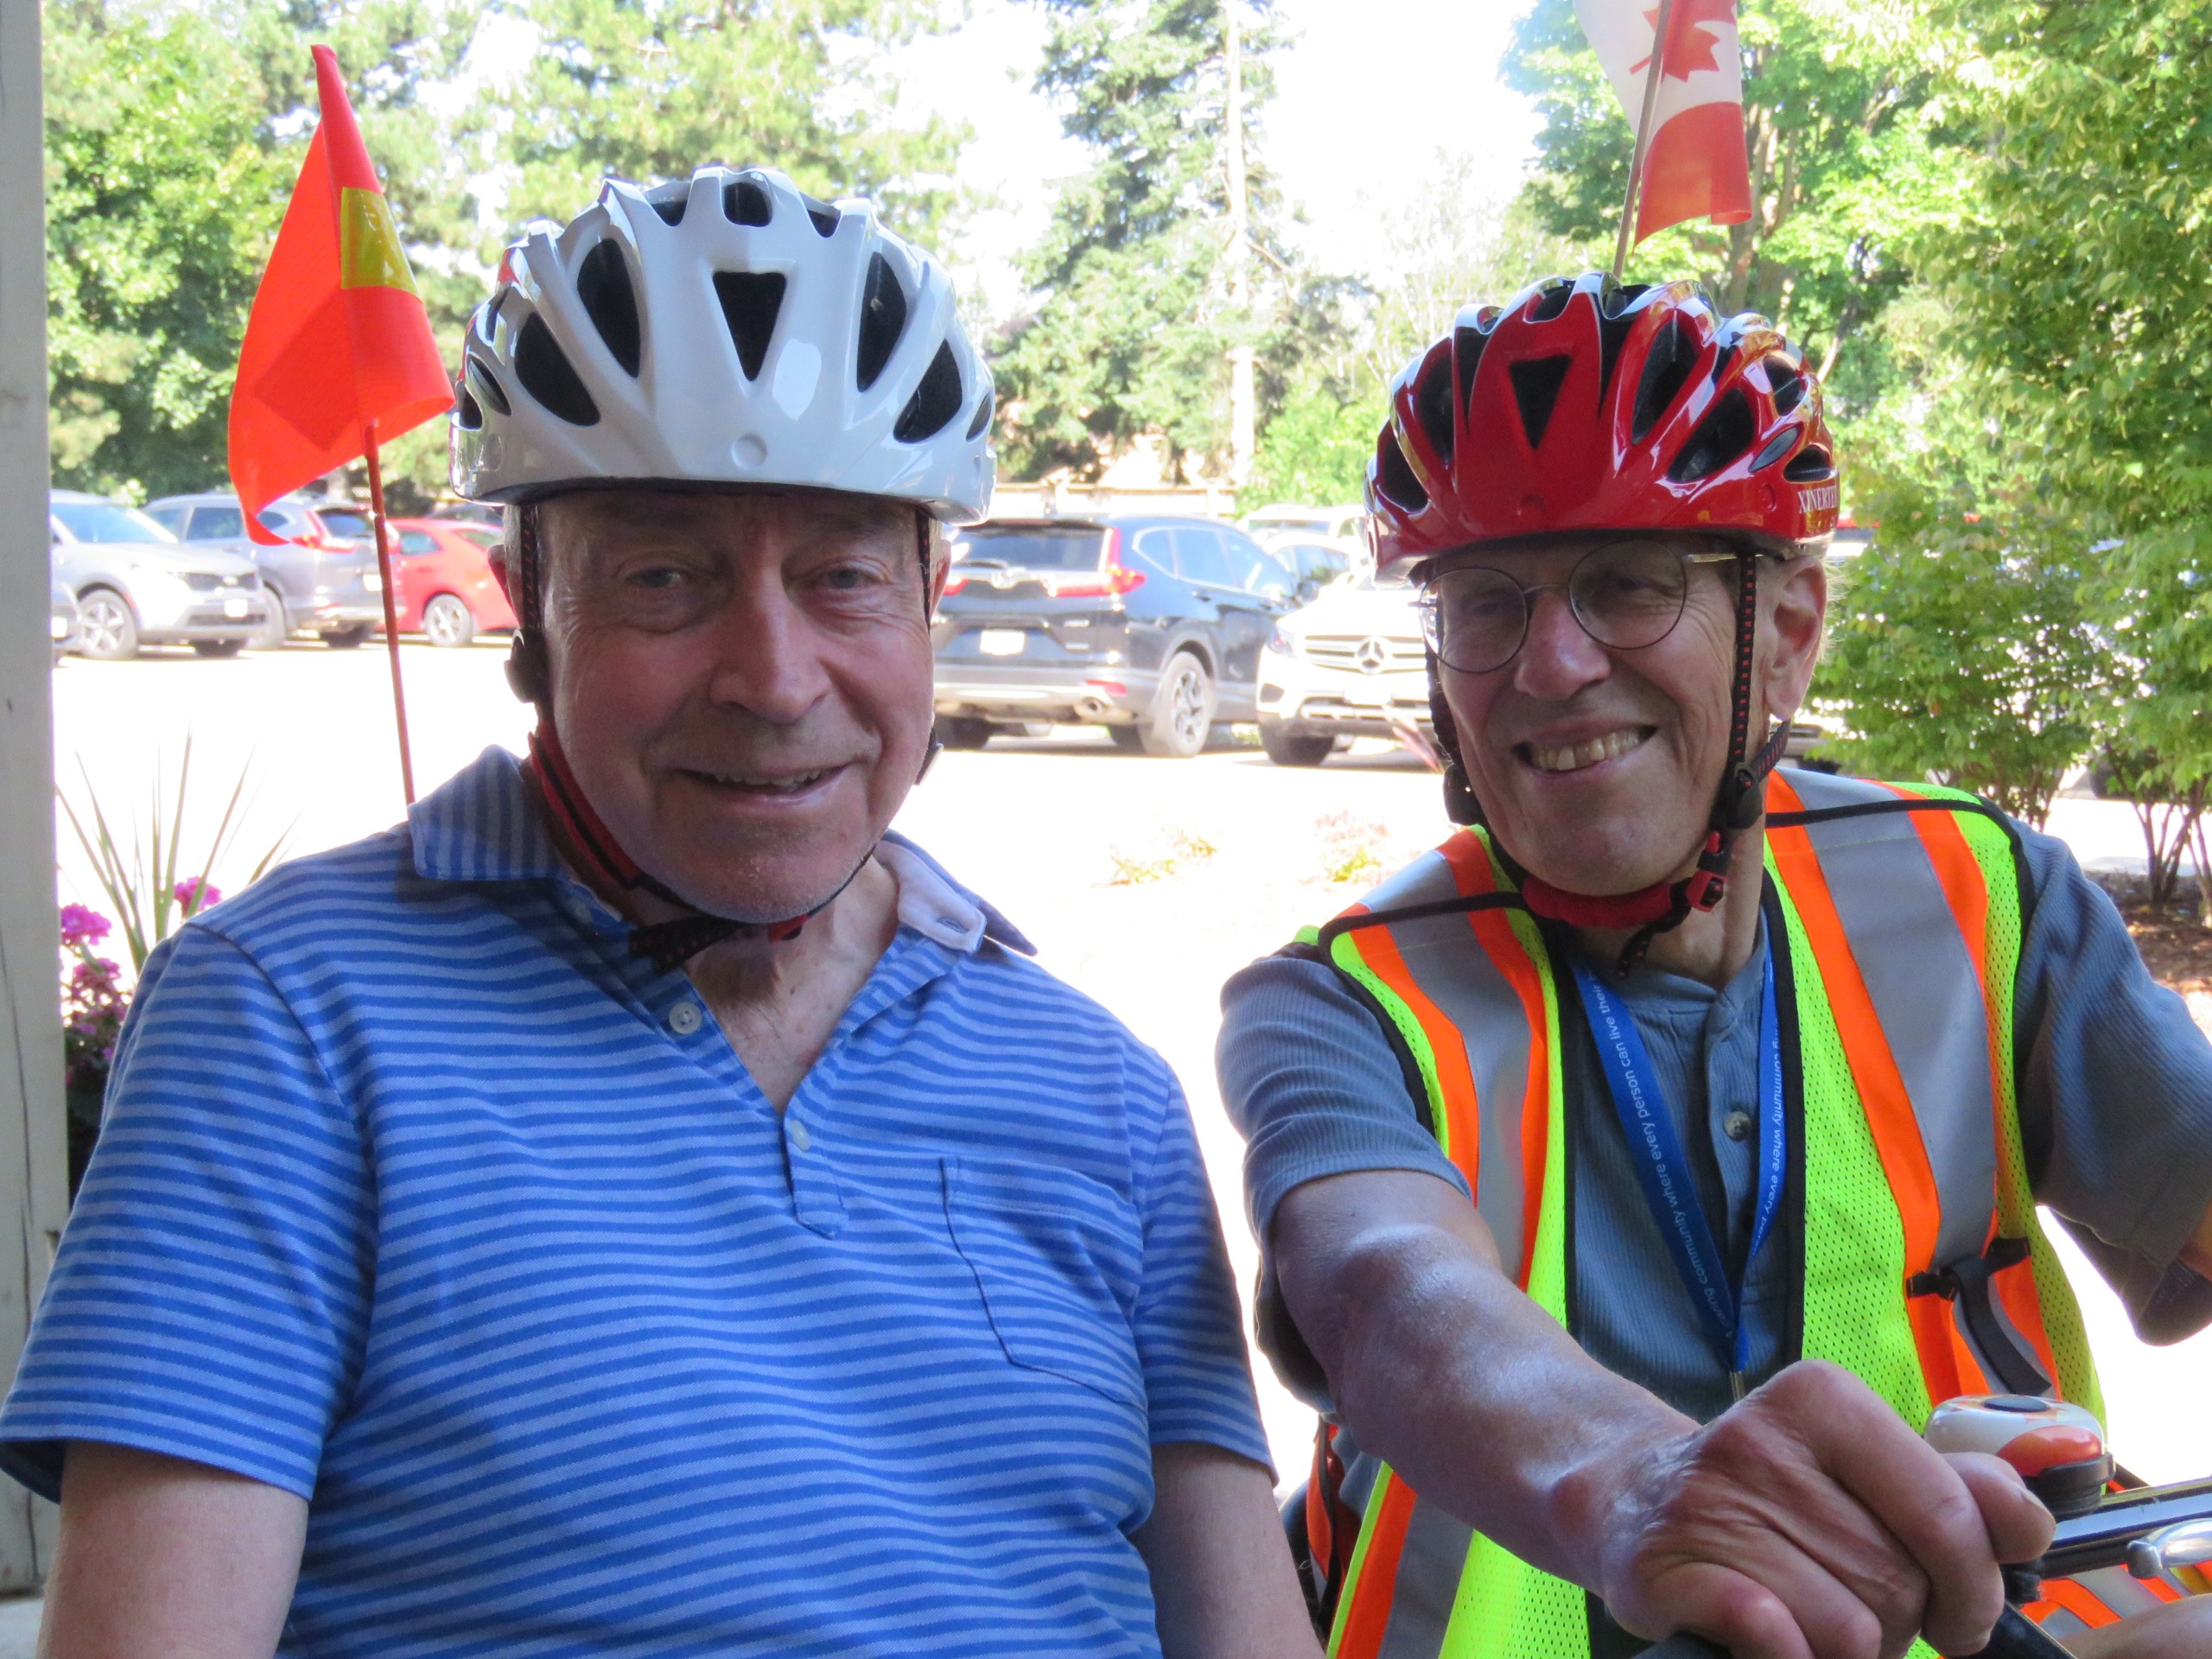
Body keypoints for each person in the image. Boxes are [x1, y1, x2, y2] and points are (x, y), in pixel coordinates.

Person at [2, 165, 1319, 1659]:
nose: (772, 678)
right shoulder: (289, 1019)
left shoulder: (1104, 1094)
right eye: (666, 577)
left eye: (843, 577)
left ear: (929, 598)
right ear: (527, 605)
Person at [1217, 271, 2212, 1659]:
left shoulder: (1976, 892)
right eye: (1486, 604)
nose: (1552, 665)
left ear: (1789, 632)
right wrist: (1636, 1488)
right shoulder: (1341, 1003)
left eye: (1627, 583)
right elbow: (1383, 1286)